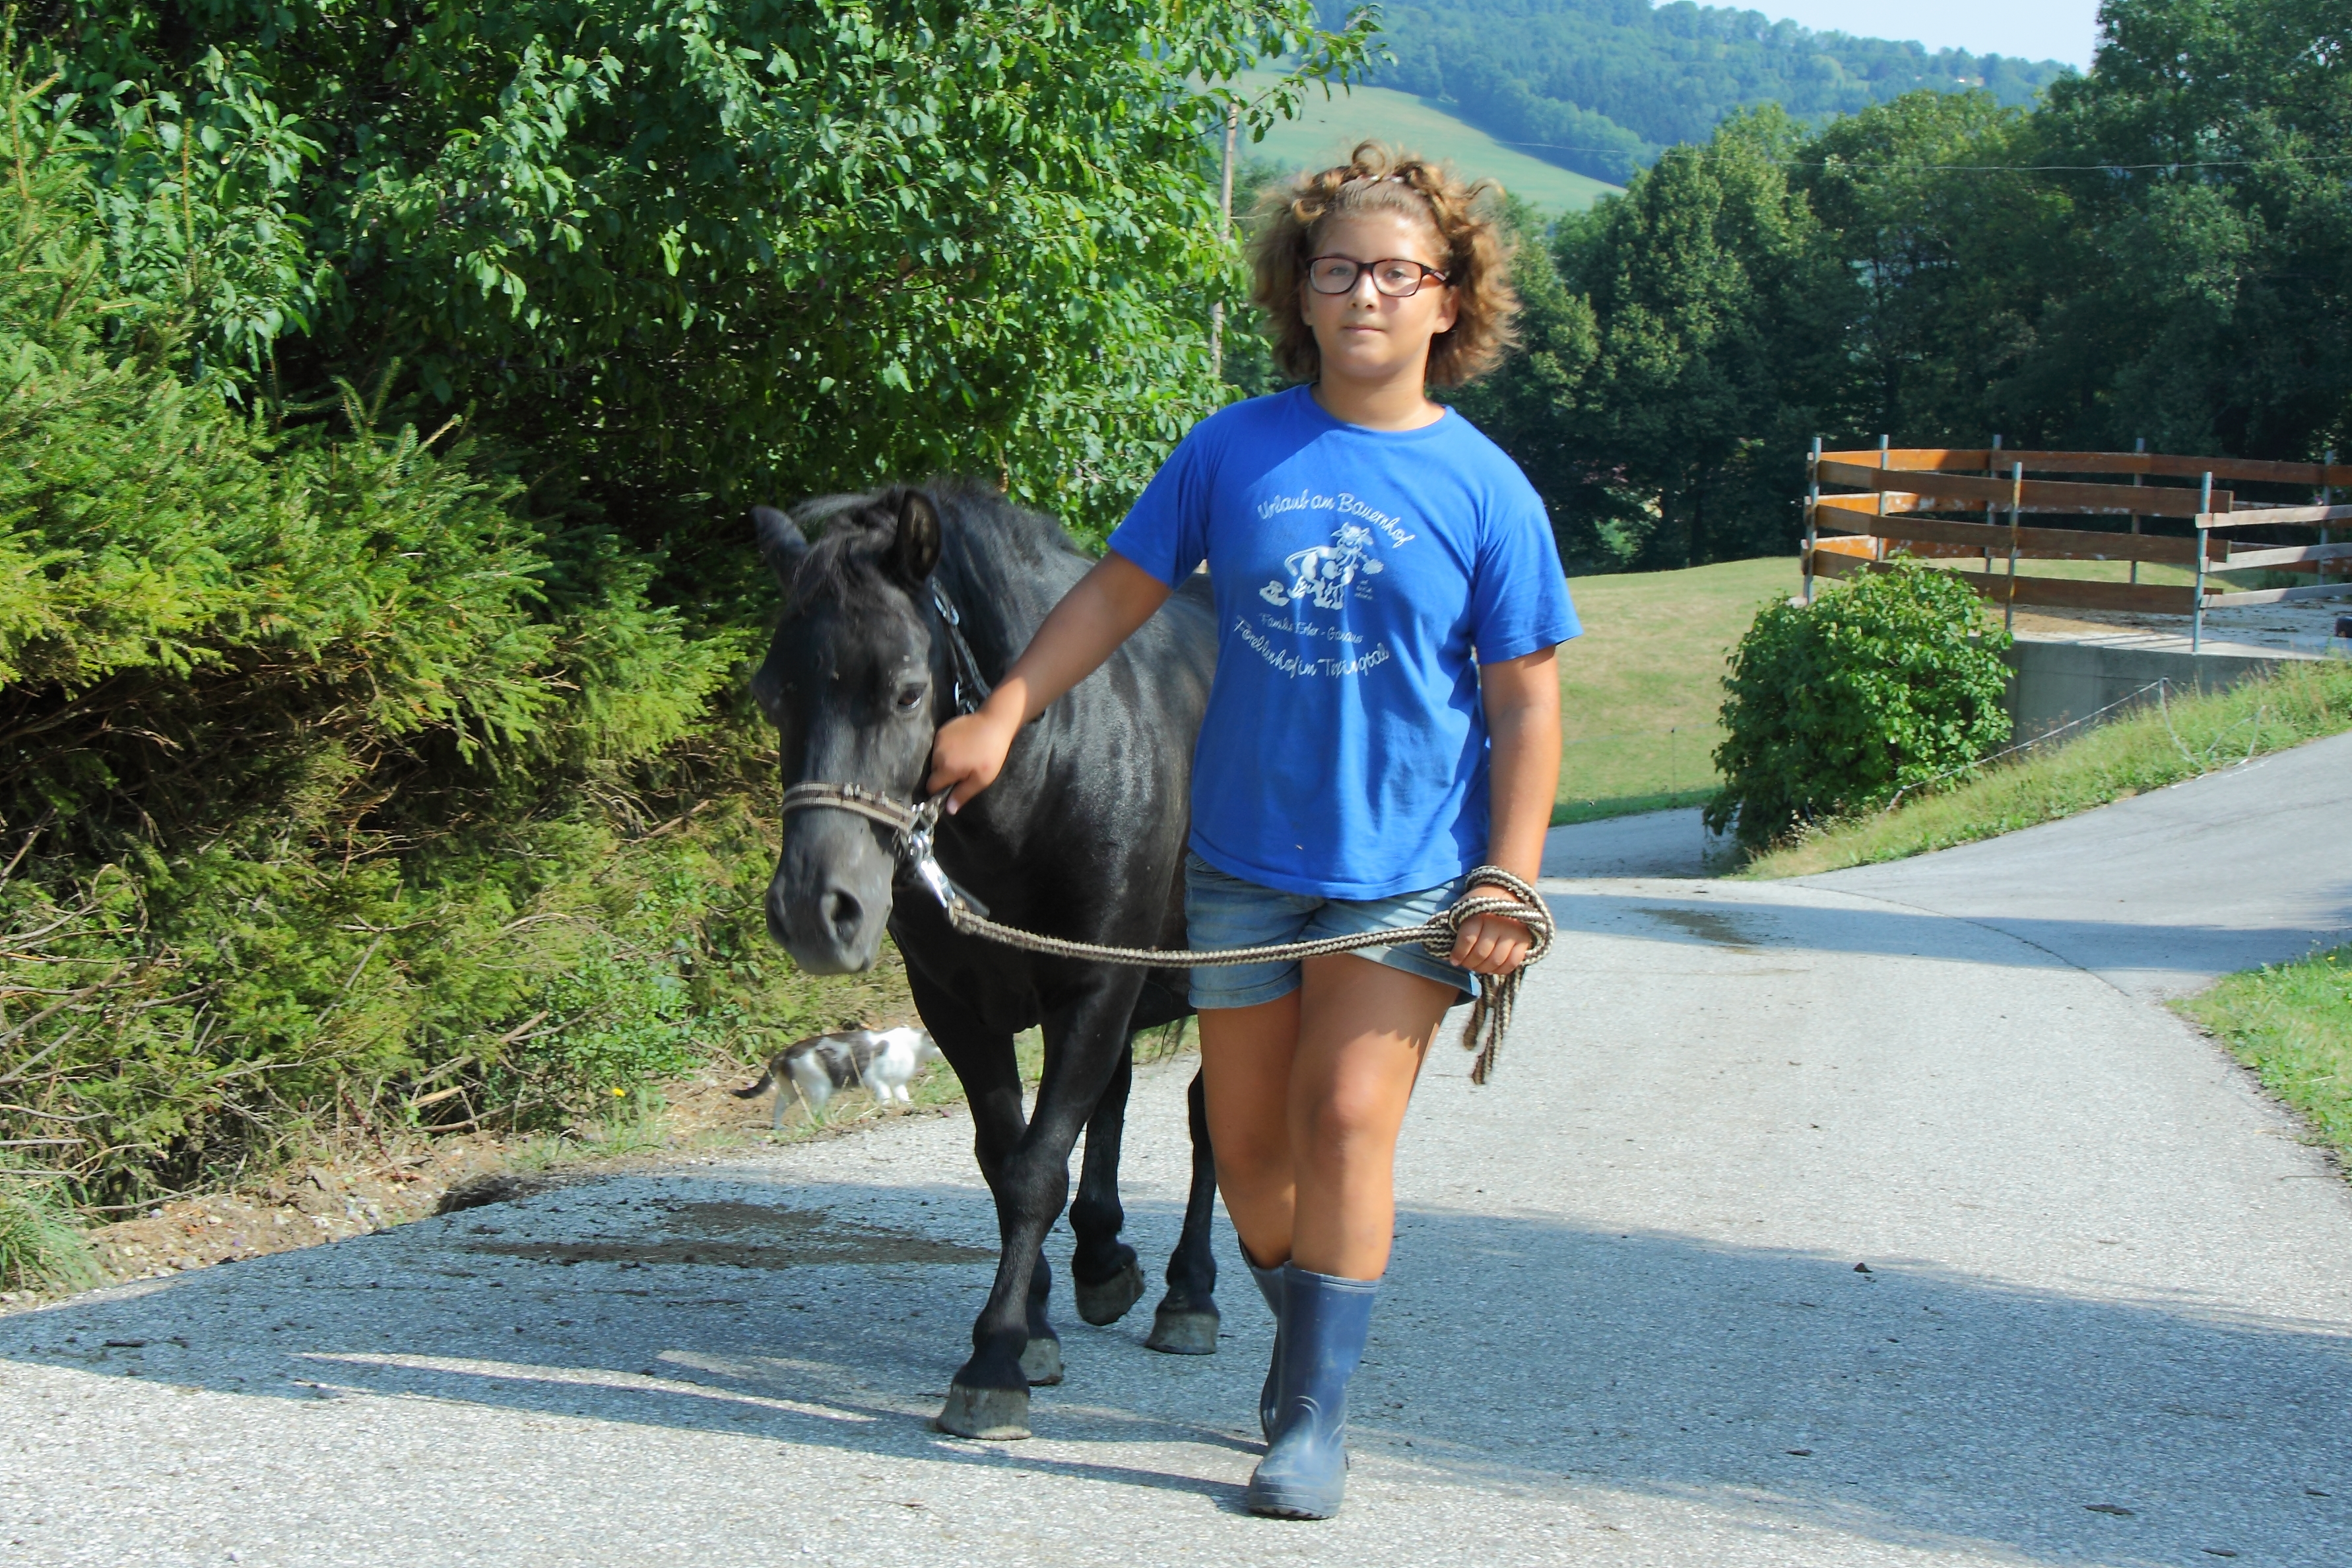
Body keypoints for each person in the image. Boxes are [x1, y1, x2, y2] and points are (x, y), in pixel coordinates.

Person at [927, 143, 1579, 1519]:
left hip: (1406, 877)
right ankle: (1307, 1314)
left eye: (1400, 273)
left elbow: (1527, 706)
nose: (1367, 296)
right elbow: (1116, 595)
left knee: (1346, 1123)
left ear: (1449, 300)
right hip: (1234, 867)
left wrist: (1510, 874)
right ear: (1302, 290)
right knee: (1257, 1161)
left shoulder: (1487, 490)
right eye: (1338, 269)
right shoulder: (1234, 450)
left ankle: (1311, 1417)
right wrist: (1001, 714)